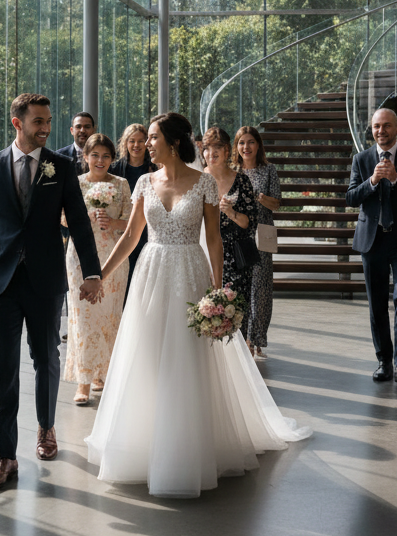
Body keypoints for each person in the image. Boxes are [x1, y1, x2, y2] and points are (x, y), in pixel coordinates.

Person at [85, 112, 311, 497]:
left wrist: (219, 290)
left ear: (172, 143)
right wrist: (99, 275)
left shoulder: (204, 183)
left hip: (191, 270)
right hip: (151, 274)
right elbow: (131, 238)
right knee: (149, 355)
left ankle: (189, 446)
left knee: (188, 358)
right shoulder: (143, 182)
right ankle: (145, 442)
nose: (146, 143)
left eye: (153, 137)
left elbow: (215, 239)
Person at [0, 93, 102, 492]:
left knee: (45, 358)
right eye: (38, 121)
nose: (46, 128)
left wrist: (92, 271)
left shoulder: (61, 167)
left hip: (45, 279)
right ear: (17, 123)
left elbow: (78, 221)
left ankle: (46, 428)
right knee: (2, 370)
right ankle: (5, 457)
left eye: (48, 121)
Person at [346, 108, 397, 384]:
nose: (381, 131)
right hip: (373, 240)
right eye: (377, 127)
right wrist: (373, 181)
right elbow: (351, 198)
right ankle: (384, 361)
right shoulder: (361, 159)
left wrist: (395, 178)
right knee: (377, 303)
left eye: (387, 126)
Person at [63, 133, 132, 406]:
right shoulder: (75, 183)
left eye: (105, 156)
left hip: (114, 256)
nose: (100, 160)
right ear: (85, 157)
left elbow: (131, 224)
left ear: (112, 159)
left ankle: (102, 373)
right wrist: (84, 220)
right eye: (95, 155)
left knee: (109, 315)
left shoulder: (122, 184)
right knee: (82, 317)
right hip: (80, 257)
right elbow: (62, 218)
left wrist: (111, 221)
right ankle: (83, 380)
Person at [202, 127, 259, 348]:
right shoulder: (197, 180)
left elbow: (249, 224)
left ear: (227, 151)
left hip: (235, 259)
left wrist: (231, 213)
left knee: (233, 314)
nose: (211, 153)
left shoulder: (242, 181)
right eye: (207, 148)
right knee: (205, 312)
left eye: (217, 148)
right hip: (204, 253)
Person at [233, 126, 281, 358]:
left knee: (261, 289)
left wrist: (261, 198)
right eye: (242, 142)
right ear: (236, 147)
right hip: (237, 234)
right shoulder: (232, 171)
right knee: (242, 286)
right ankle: (241, 337)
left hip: (262, 233)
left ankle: (256, 337)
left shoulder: (269, 170)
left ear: (258, 145)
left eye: (250, 142)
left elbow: (277, 204)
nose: (246, 147)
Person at [110, 123, 158, 302]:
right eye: (132, 141)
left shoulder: (155, 170)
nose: (136, 145)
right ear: (125, 143)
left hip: (146, 235)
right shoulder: (114, 169)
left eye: (140, 141)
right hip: (120, 234)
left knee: (142, 285)